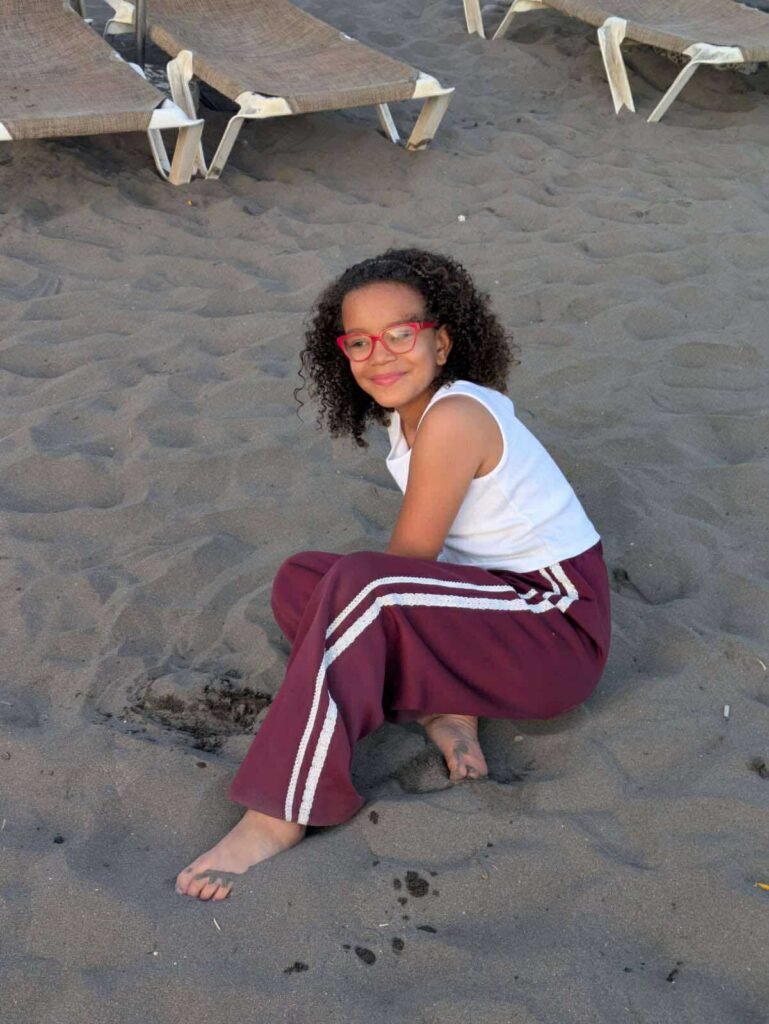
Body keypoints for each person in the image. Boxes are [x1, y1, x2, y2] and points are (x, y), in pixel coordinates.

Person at [175, 249, 611, 901]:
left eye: (400, 334)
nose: (379, 355)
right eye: (359, 342)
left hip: (552, 632)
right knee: (304, 579)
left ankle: (279, 810)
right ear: (341, 354)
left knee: (359, 587)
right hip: (497, 619)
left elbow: (403, 569)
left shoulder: (456, 418)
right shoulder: (407, 421)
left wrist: (363, 597)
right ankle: (445, 705)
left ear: (440, 341)